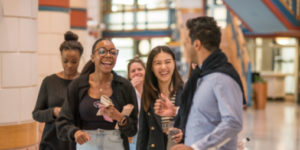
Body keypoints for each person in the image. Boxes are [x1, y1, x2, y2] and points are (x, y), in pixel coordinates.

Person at [154, 16, 245, 150]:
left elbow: (233, 123)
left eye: (186, 42)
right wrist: (176, 110)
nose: (185, 47)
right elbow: (207, 114)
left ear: (196, 44)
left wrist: (195, 148)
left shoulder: (222, 78)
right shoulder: (203, 76)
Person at [56, 38, 138, 150]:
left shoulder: (124, 86)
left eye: (113, 52)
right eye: (102, 51)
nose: (108, 55)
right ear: (92, 57)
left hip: (115, 143)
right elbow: (62, 122)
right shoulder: (77, 85)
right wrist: (75, 132)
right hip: (86, 143)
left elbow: (133, 129)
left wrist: (119, 117)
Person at [32, 31, 83, 150]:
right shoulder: (49, 81)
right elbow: (37, 114)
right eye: (65, 61)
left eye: (74, 61)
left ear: (80, 58)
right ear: (60, 57)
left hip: (77, 143)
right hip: (51, 143)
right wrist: (54, 112)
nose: (69, 65)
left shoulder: (85, 82)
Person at [136, 46, 184, 150]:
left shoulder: (186, 92)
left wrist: (183, 134)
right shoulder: (148, 94)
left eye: (167, 62)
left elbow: (196, 124)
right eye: (158, 63)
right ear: (152, 68)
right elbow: (143, 133)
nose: (163, 67)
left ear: (174, 63)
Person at [127, 56, 146, 150]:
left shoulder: (152, 91)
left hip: (149, 136)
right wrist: (130, 89)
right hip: (132, 137)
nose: (137, 72)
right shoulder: (125, 91)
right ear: (129, 75)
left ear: (145, 72)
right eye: (133, 71)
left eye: (139, 69)